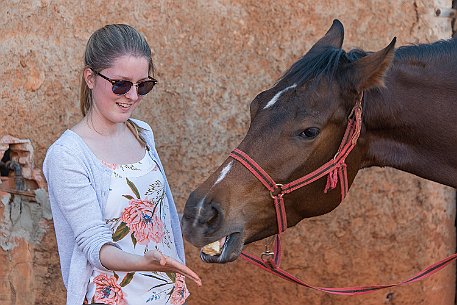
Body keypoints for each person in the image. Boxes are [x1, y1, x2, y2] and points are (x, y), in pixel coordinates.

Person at [43, 24, 201, 305]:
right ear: (90, 78)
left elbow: (157, 211)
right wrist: (146, 262)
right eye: (121, 84)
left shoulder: (141, 132)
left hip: (168, 294)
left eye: (143, 85)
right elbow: (95, 246)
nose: (133, 96)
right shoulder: (67, 156)